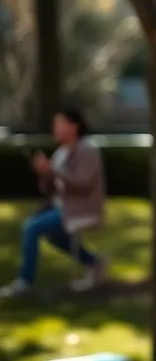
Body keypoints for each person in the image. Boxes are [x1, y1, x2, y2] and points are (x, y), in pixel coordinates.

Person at [0, 108, 106, 297]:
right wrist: (45, 174)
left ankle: (25, 281)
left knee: (31, 228)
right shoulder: (61, 153)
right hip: (61, 207)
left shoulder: (87, 149)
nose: (55, 128)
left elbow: (83, 183)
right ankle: (93, 262)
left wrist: (53, 171)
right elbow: (50, 190)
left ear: (74, 126)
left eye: (59, 124)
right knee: (53, 236)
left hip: (79, 209)